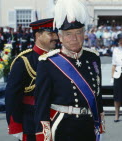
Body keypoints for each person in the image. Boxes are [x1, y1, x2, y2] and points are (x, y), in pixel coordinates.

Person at [34, 0, 104, 141]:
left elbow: (97, 93)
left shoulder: (93, 58)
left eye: (78, 32)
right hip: (62, 126)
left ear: (84, 33)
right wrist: (43, 135)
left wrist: (99, 122)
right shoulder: (48, 62)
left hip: (88, 124)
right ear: (60, 37)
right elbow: (41, 104)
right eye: (68, 34)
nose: (74, 38)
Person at [5, 18, 58, 141]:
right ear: (38, 35)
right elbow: (12, 96)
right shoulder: (24, 61)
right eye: (51, 34)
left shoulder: (58, 59)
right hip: (32, 124)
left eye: (55, 33)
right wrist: (16, 126)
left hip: (56, 121)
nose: (55, 37)